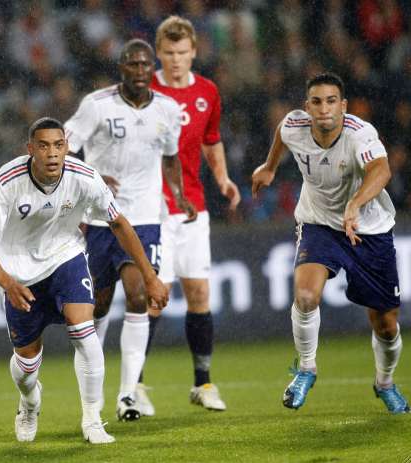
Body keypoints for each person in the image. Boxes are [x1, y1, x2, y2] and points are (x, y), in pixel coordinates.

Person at [0, 116, 168, 444]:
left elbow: (119, 223)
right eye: (44, 146)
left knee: (84, 333)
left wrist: (150, 276)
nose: (52, 153)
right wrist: (7, 283)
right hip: (20, 276)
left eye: (59, 145)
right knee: (26, 366)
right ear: (30, 149)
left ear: (67, 147)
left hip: (66, 259)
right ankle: (30, 403)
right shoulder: (7, 180)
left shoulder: (84, 177)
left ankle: (92, 419)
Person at [252, 72, 409, 414]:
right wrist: (269, 166)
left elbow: (381, 171)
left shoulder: (359, 134)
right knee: (306, 296)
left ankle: (385, 383)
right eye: (317, 102)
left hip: (369, 229)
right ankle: (306, 369)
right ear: (307, 107)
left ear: (344, 106)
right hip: (319, 223)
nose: (324, 109)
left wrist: (355, 204)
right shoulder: (294, 125)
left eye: (331, 101)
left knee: (385, 323)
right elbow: (282, 134)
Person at [64, 39, 194, 421]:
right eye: (132, 65)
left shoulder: (167, 110)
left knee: (139, 296)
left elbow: (170, 158)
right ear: (121, 68)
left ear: (151, 68)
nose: (139, 71)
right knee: (99, 305)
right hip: (101, 218)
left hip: (145, 218)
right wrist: (91, 173)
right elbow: (62, 145)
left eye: (144, 65)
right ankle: (93, 391)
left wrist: (178, 194)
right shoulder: (96, 105)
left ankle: (127, 396)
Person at [139, 15, 241, 414]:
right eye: (168, 53)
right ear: (158, 53)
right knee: (153, 300)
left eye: (182, 53)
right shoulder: (145, 92)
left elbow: (211, 141)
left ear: (194, 51)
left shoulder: (208, 92)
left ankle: (203, 383)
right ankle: (135, 385)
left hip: (193, 207)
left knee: (199, 294)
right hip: (152, 209)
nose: (176, 60)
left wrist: (223, 178)